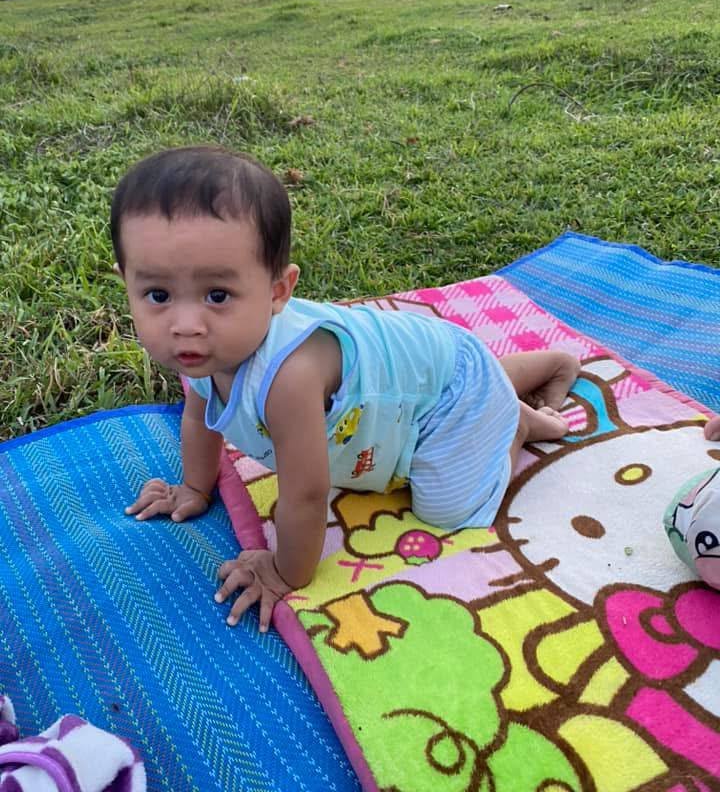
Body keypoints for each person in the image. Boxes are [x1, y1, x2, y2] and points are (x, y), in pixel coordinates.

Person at [114, 146, 580, 632]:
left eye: (217, 295)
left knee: (448, 510)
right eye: (158, 295)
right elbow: (197, 414)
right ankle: (502, 398)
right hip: (421, 383)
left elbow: (307, 495)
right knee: (449, 396)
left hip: (447, 391)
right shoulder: (207, 349)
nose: (186, 324)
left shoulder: (289, 376)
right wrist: (194, 486)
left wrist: (283, 570)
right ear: (127, 283)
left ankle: (511, 426)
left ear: (278, 291)